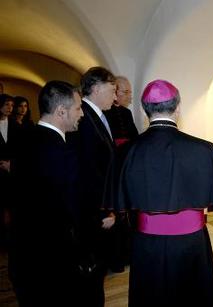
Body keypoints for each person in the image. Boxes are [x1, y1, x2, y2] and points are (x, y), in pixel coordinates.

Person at [119, 80, 213, 307]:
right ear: (177, 108)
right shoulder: (204, 149)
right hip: (190, 243)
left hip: (147, 244)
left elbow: (119, 202)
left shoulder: (127, 151)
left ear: (145, 111)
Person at [8, 81, 84, 306]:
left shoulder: (24, 137)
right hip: (51, 259)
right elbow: (68, 207)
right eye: (78, 108)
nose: (82, 114)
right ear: (62, 111)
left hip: (23, 251)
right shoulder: (61, 151)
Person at [67, 66, 118, 306]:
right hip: (93, 212)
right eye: (113, 90)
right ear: (96, 88)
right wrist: (103, 211)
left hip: (97, 207)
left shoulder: (97, 114)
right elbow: (88, 172)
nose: (116, 96)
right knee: (91, 277)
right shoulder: (85, 118)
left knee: (97, 276)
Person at [103, 76, 138, 272]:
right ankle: (115, 258)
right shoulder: (104, 114)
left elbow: (133, 138)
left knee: (129, 215)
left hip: (128, 171)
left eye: (130, 92)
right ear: (115, 93)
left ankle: (128, 254)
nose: (129, 96)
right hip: (113, 172)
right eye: (126, 92)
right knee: (115, 215)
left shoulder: (126, 113)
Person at [0, 94, 18, 252]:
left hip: (12, 171)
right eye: (6, 104)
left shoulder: (14, 124)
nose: (9, 108)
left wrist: (12, 163)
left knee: (11, 208)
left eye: (11, 105)